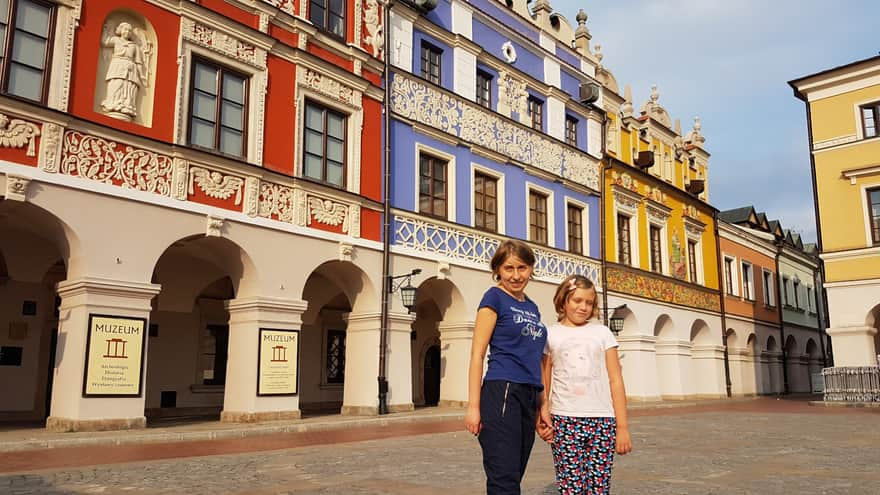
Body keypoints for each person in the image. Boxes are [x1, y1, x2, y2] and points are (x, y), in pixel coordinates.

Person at [465, 240, 552, 495]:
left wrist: (542, 404)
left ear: (531, 269)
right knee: (504, 477)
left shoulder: (532, 306)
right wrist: (473, 407)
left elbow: (537, 358)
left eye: (522, 268)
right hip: (502, 390)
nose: (516, 276)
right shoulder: (494, 298)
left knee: (515, 472)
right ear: (498, 271)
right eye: (509, 268)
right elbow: (477, 354)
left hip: (528, 394)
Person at [538, 274, 632, 494]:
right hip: (564, 419)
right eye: (577, 301)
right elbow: (544, 378)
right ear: (563, 301)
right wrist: (542, 415)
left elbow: (615, 379)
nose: (583, 307)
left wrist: (622, 427)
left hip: (603, 420)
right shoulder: (550, 334)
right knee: (571, 487)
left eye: (589, 303)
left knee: (599, 488)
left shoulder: (602, 333)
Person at [101, 21, 150, 121]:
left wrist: (142, 76)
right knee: (116, 84)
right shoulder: (115, 40)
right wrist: (106, 30)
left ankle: (126, 107)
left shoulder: (134, 46)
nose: (127, 32)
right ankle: (113, 104)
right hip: (118, 64)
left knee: (128, 88)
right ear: (120, 30)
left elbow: (139, 62)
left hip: (131, 68)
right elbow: (105, 42)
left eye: (129, 30)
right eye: (125, 29)